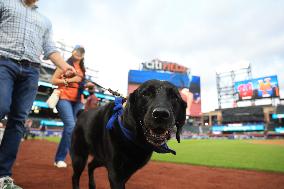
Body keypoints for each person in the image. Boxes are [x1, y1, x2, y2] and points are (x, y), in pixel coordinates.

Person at [0, 0, 76, 188]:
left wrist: (65, 66)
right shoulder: (4, 3)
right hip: (4, 62)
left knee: (18, 121)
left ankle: (3, 177)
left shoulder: (45, 21)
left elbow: (50, 48)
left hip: (32, 70)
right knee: (1, 106)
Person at [51, 45, 94, 168]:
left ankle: (66, 158)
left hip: (78, 100)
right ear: (73, 52)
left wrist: (87, 85)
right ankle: (60, 158)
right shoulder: (64, 65)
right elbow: (53, 80)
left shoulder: (82, 68)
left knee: (73, 129)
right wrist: (70, 80)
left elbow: (79, 84)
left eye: (82, 52)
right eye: (77, 51)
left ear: (83, 55)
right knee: (70, 126)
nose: (79, 53)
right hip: (64, 97)